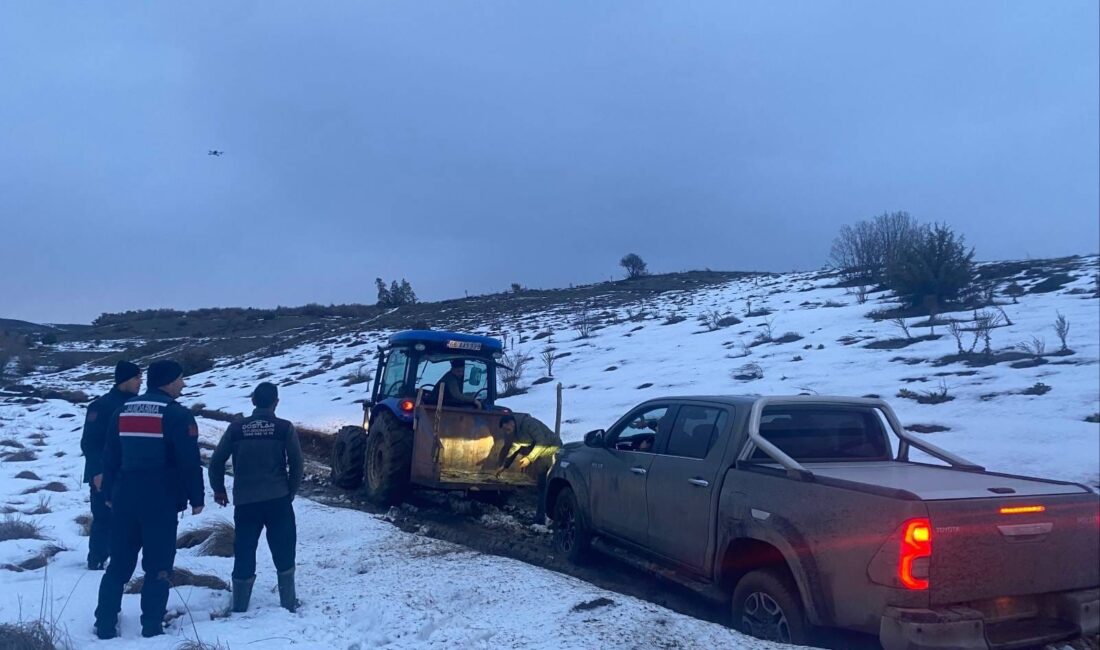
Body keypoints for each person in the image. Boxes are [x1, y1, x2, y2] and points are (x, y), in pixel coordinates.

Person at [94, 360, 205, 640]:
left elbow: (110, 457)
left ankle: (105, 624)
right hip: (161, 501)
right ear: (167, 382)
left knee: (118, 565)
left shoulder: (122, 411)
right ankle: (152, 626)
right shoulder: (178, 416)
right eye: (180, 379)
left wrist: (108, 494)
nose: (183, 384)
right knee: (158, 566)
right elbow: (189, 462)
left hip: (124, 498)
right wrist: (196, 497)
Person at [208, 382, 304, 613]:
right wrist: (290, 490)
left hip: (246, 501)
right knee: (284, 547)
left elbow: (216, 461)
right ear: (276, 403)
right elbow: (297, 463)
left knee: (244, 549)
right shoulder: (284, 428)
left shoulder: (236, 428)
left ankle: (240, 605)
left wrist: (219, 489)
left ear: (253, 401)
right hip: (277, 498)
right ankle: (288, 602)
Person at [80, 360, 142, 570]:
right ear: (123, 380)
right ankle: (97, 559)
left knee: (129, 519)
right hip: (105, 472)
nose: (140, 382)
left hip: (131, 471)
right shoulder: (101, 405)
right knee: (103, 517)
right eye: (136, 378)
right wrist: (97, 471)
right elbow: (89, 442)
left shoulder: (139, 405)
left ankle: (121, 557)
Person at [496, 413, 562, 523]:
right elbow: (515, 448)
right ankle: (542, 516)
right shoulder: (516, 431)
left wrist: (529, 458)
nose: (507, 432)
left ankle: (546, 517)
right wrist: (504, 466)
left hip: (552, 447)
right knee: (542, 484)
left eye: (507, 429)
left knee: (544, 483)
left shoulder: (528, 423)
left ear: (511, 423)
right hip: (541, 451)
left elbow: (542, 442)